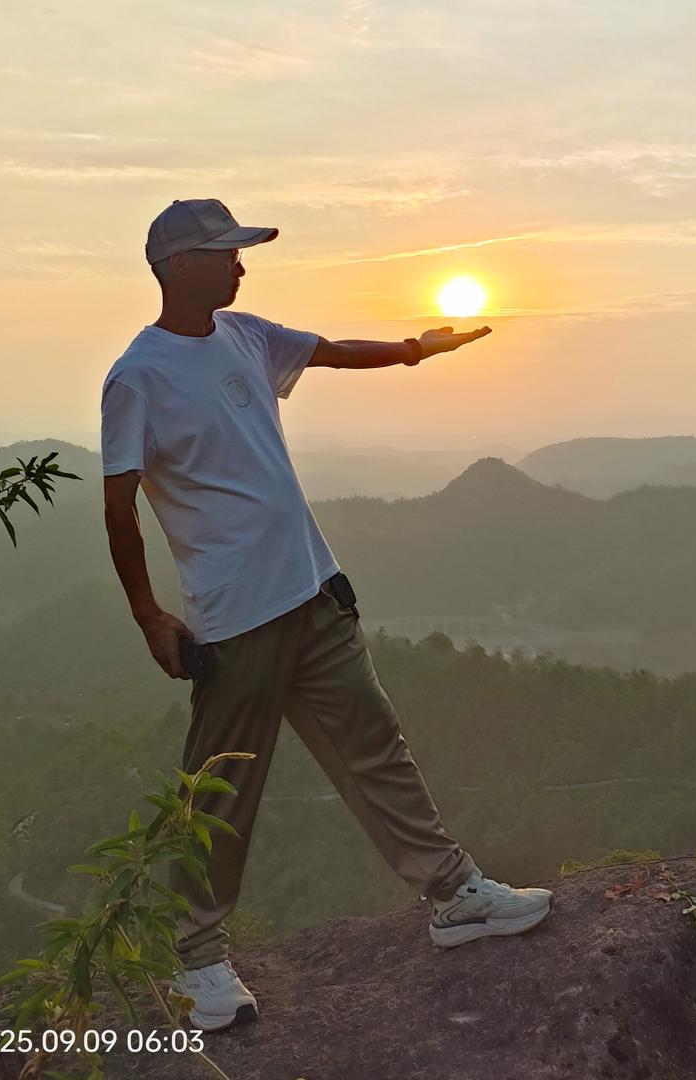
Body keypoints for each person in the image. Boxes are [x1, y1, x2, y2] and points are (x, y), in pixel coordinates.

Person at [100, 198, 554, 1033]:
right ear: (182, 266)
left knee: (377, 750)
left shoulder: (245, 336)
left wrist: (417, 350)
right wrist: (150, 617)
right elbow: (119, 506)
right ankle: (196, 958)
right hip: (233, 622)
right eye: (228, 252)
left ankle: (453, 894)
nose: (243, 264)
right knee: (222, 792)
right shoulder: (139, 375)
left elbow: (334, 351)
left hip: (313, 595)